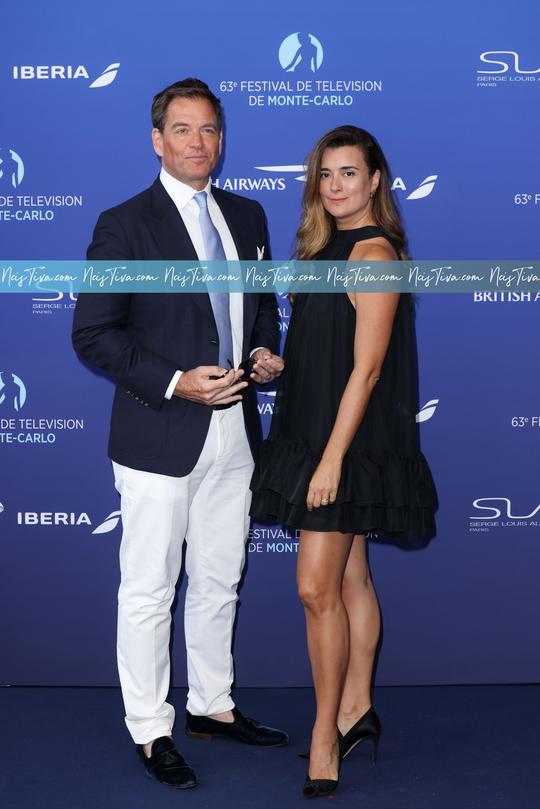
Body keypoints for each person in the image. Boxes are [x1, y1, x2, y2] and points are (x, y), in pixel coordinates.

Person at [72, 77, 287, 790]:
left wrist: (260, 353)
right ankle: (149, 728)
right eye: (186, 130)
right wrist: (174, 380)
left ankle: (212, 704)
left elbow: (256, 313)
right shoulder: (124, 224)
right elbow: (94, 334)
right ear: (157, 140)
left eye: (212, 130)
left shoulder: (248, 215)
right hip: (160, 431)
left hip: (235, 431)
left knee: (221, 577)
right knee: (150, 587)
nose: (202, 143)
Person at [250, 125, 437, 798]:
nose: (335, 186)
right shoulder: (323, 251)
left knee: (313, 588)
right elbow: (327, 355)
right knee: (351, 577)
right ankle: (358, 706)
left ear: (376, 180)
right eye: (325, 174)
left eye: (349, 173)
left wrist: (329, 463)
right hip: (317, 429)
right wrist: (279, 363)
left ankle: (326, 733)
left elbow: (368, 370)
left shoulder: (375, 256)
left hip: (346, 444)